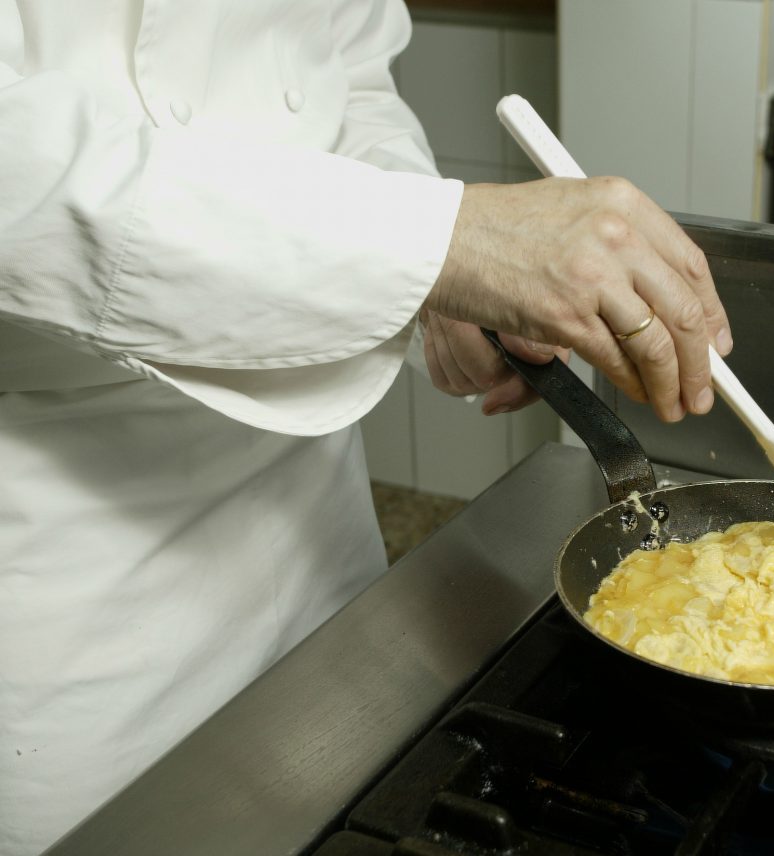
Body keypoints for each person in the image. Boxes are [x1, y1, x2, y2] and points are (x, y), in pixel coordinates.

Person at [0, 2, 733, 853]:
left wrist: (430, 283)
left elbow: (344, 70)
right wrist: (437, 245)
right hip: (67, 569)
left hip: (317, 528)